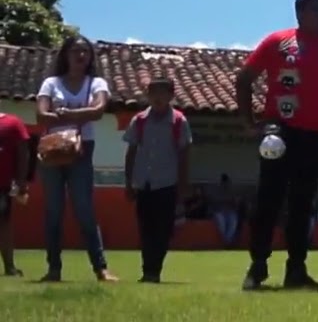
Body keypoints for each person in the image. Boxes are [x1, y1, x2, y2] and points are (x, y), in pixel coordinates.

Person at [235, 0, 318, 290]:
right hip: (279, 132)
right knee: (269, 198)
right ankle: (258, 266)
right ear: (301, 13)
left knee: (303, 203)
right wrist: (250, 122)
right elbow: (245, 78)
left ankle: (296, 270)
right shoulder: (278, 42)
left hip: (316, 135)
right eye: (317, 9)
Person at [34, 35, 117, 283]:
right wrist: (78, 116)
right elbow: (40, 116)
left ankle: (100, 268)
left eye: (84, 51)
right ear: (66, 55)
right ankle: (54, 269)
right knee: (53, 211)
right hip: (52, 151)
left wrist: (64, 114)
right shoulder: (50, 83)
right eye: (75, 51)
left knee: (84, 209)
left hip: (82, 150)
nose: (80, 55)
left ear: (90, 57)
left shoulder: (96, 83)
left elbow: (98, 110)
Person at [122, 77, 193, 283]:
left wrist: (183, 183)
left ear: (171, 95)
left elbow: (184, 153)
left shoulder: (179, 121)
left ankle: (155, 270)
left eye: (163, 93)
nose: (158, 98)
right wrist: (128, 182)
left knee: (163, 229)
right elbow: (131, 151)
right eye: (154, 93)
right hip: (144, 183)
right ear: (148, 95)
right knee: (145, 228)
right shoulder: (140, 120)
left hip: (167, 183)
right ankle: (147, 270)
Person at [0, 109, 30, 277]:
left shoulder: (12, 123)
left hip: (2, 185)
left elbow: (23, 153)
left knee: (3, 224)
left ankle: (9, 266)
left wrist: (21, 181)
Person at [210, 174, 241, 247]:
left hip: (230, 212)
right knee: (221, 223)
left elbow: (236, 203)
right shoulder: (217, 191)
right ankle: (228, 242)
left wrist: (235, 201)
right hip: (219, 212)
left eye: (227, 182)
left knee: (234, 222)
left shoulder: (231, 191)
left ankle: (227, 241)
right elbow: (214, 202)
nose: (226, 184)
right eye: (224, 183)